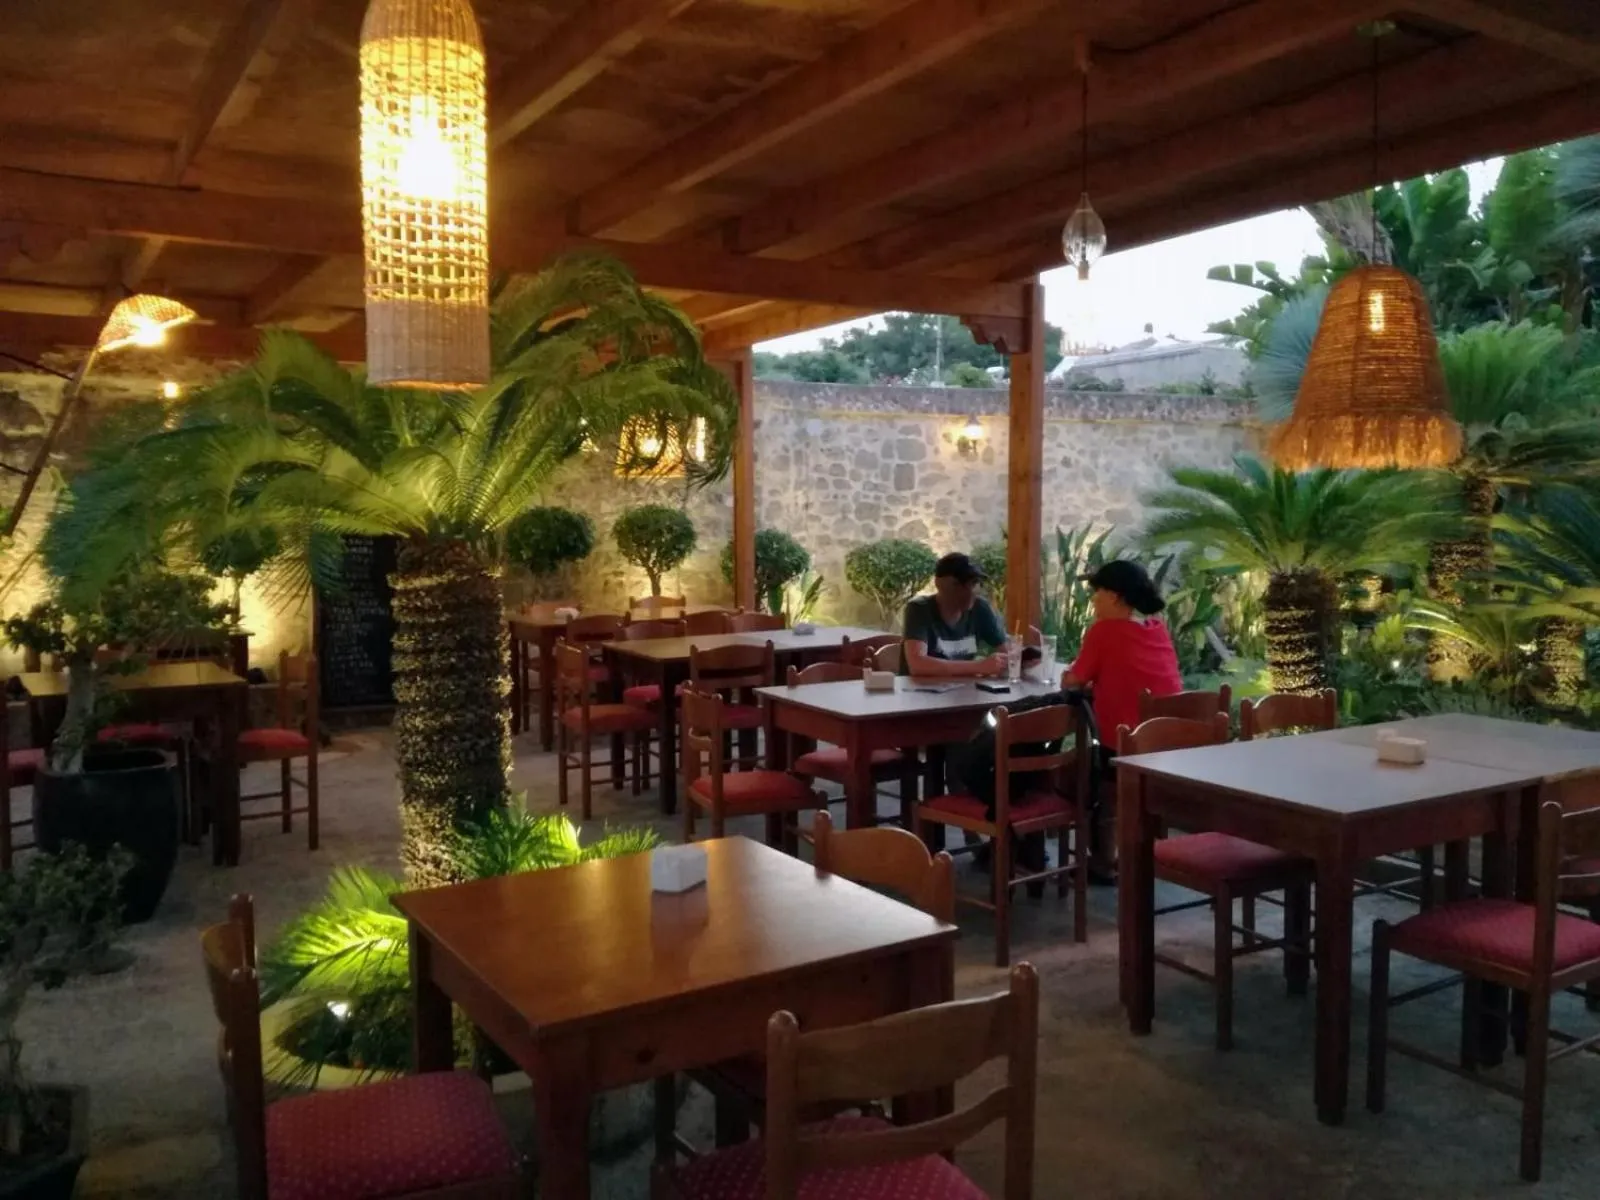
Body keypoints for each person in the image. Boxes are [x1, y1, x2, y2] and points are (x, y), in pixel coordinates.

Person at [1061, 557, 1183, 879]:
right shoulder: (1157, 629)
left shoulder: (1105, 631)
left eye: (1097, 591)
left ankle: (1103, 860)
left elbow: (1073, 680)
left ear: (1114, 596)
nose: (1093, 598)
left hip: (1126, 746)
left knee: (1088, 776)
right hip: (1166, 743)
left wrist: (1073, 677)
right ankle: (1138, 853)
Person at [901, 552, 1009, 678]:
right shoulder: (919, 609)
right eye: (960, 584)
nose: (970, 591)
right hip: (918, 694)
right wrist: (979, 666)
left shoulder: (980, 608)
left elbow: (1008, 652)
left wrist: (1024, 659)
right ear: (938, 583)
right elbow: (918, 665)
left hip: (962, 693)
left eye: (974, 583)